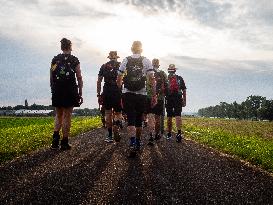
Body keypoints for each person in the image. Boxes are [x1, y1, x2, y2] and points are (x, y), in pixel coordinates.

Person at [117, 41, 157, 154]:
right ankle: (138, 143)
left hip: (128, 93)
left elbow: (119, 79)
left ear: (131, 49)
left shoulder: (126, 60)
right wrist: (154, 95)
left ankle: (132, 143)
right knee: (139, 120)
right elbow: (152, 80)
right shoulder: (146, 61)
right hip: (142, 94)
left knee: (131, 120)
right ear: (141, 50)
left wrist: (120, 93)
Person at [50, 38, 83, 150]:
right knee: (67, 116)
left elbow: (52, 75)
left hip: (57, 90)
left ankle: (55, 139)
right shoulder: (74, 60)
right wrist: (80, 92)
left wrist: (53, 89)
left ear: (61, 47)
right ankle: (64, 142)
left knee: (58, 115)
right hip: (70, 90)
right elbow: (79, 77)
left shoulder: (55, 59)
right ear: (70, 47)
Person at [97, 51, 123, 143]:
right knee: (118, 113)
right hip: (117, 91)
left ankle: (110, 135)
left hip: (106, 90)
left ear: (109, 57)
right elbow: (125, 79)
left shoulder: (103, 66)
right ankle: (116, 124)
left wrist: (98, 93)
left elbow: (99, 81)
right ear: (116, 57)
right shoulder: (121, 65)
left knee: (108, 113)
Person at [165, 64, 186, 142]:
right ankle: (179, 133)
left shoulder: (166, 78)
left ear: (168, 70)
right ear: (175, 70)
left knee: (169, 116)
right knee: (178, 115)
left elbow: (164, 90)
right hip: (178, 97)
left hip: (169, 98)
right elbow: (184, 90)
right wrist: (184, 100)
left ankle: (169, 134)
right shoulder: (179, 78)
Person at [151, 59, 167, 141]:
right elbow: (167, 85)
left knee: (150, 117)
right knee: (158, 117)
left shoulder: (149, 72)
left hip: (150, 97)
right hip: (160, 98)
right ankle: (158, 134)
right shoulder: (163, 73)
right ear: (158, 65)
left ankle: (150, 135)